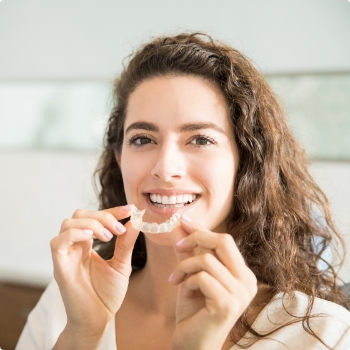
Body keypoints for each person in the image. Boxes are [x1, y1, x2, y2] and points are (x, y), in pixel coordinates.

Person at [16, 32, 350, 350]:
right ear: (120, 159)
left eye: (201, 139)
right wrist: (81, 336)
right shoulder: (66, 304)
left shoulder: (321, 334)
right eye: (143, 139)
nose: (165, 167)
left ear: (246, 163)